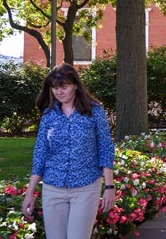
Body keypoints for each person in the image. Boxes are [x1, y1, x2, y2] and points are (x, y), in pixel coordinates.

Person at [22, 64, 116, 239]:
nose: (59, 92)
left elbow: (105, 148)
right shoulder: (49, 114)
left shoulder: (94, 111)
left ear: (75, 85)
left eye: (63, 87)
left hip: (86, 187)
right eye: (55, 88)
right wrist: (30, 193)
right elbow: (40, 153)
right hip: (53, 187)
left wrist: (109, 186)